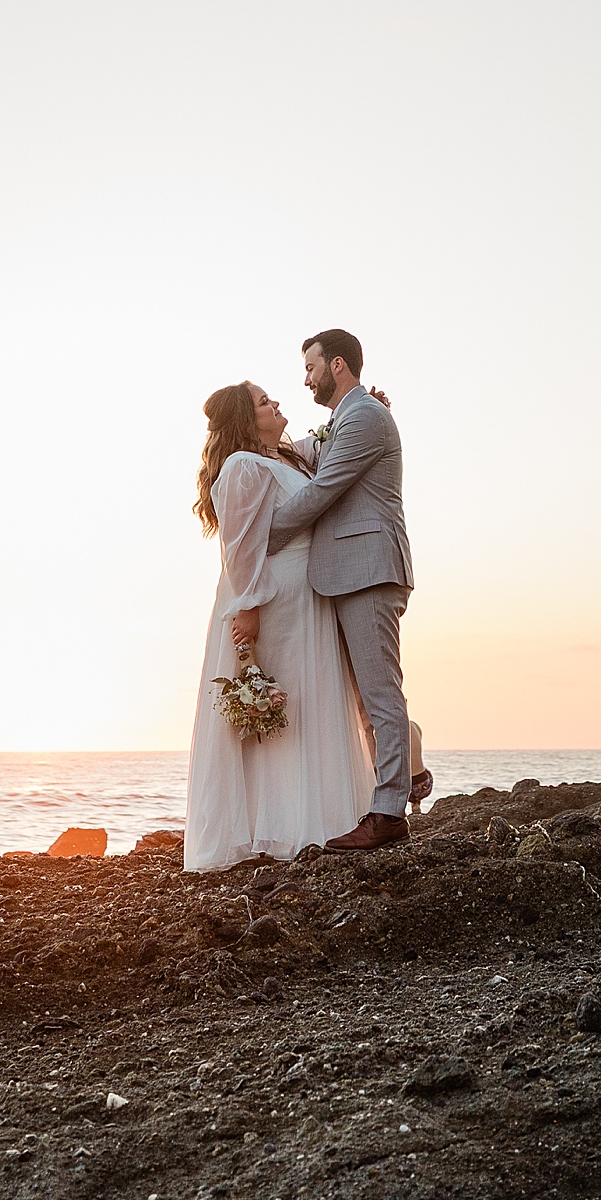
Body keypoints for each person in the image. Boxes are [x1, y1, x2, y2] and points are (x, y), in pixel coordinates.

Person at [183, 381, 373, 871]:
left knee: (307, 702)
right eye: (265, 402)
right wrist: (248, 606)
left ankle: (313, 819)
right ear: (248, 420)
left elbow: (328, 442)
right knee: (279, 706)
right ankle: (273, 828)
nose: (277, 404)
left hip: (303, 594)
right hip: (276, 598)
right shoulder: (243, 466)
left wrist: (362, 407)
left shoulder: (284, 457)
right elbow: (240, 544)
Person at [266, 328, 414, 851]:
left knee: (378, 693)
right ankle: (399, 782)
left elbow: (325, 487)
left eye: (310, 368)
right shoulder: (345, 420)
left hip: (368, 568)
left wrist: (262, 537)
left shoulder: (366, 417)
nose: (304, 379)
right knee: (365, 695)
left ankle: (390, 811)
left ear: (338, 366)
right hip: (350, 571)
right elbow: (296, 451)